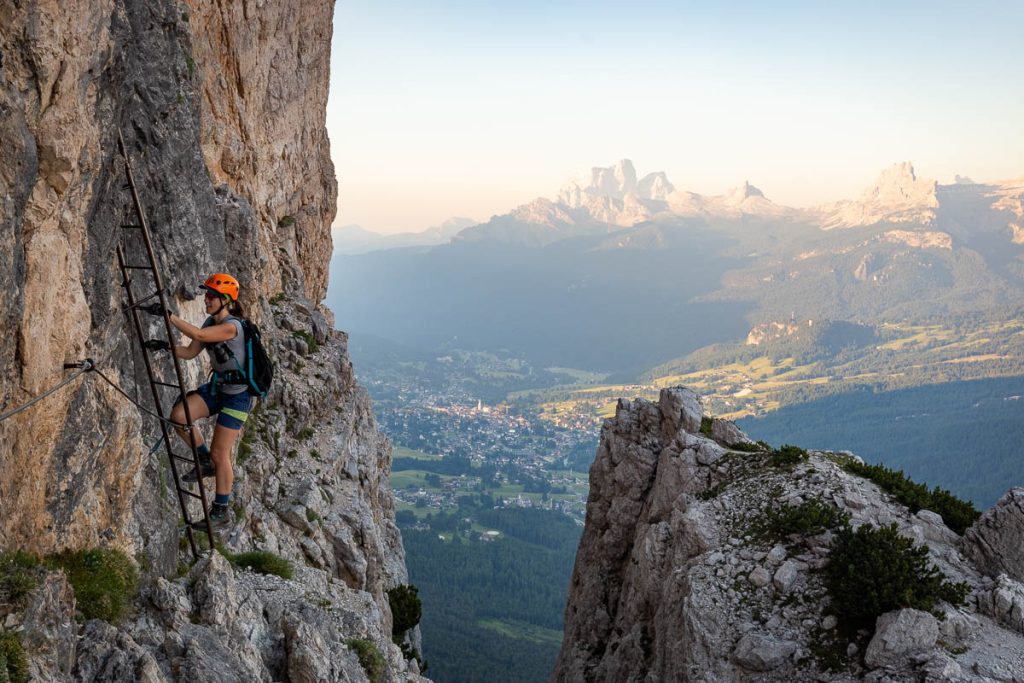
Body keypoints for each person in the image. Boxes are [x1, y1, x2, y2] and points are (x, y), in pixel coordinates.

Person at [163, 273, 252, 529]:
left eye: (212, 296)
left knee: (220, 453)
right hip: (218, 388)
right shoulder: (211, 321)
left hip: (238, 397)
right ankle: (203, 462)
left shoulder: (233, 326)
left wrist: (170, 317)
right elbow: (191, 352)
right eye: (206, 295)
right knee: (179, 417)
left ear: (226, 300)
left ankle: (221, 510)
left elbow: (200, 338)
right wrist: (165, 346)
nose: (207, 299)